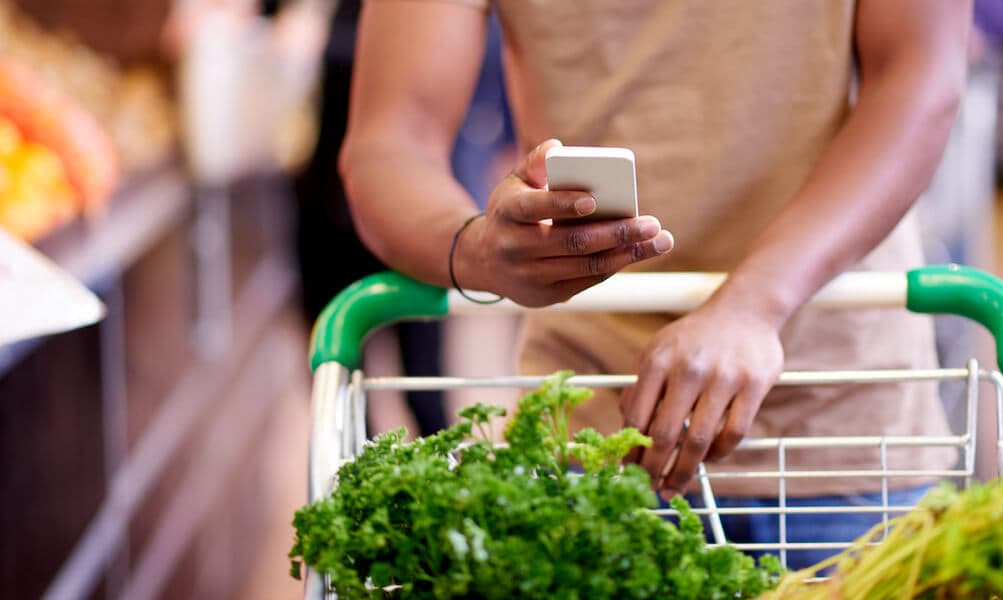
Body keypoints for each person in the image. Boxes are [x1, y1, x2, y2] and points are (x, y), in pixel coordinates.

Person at [341, 0, 970, 568]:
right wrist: (475, 249)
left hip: (848, 422)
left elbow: (919, 78)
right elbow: (390, 140)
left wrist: (752, 305)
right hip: (592, 426)